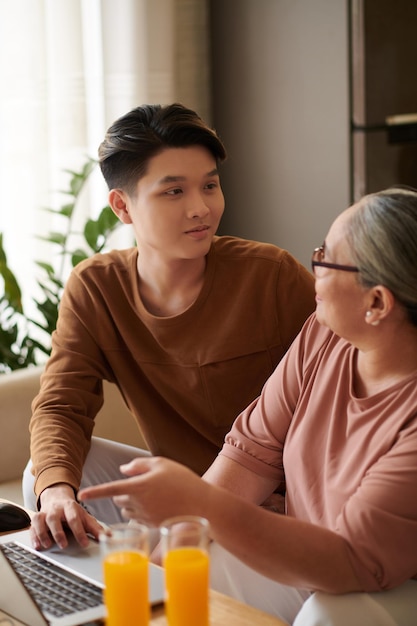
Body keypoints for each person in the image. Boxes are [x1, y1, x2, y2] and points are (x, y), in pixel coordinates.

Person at [79, 187, 417, 626]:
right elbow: (251, 453)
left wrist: (199, 503)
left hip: (378, 585)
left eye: (325, 257)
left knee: (327, 615)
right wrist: (157, 574)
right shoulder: (326, 333)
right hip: (300, 554)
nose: (312, 266)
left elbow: (350, 560)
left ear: (376, 303)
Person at [25, 102, 315, 551]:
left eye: (210, 186)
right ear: (122, 206)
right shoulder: (96, 287)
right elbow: (62, 405)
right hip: (183, 491)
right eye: (174, 192)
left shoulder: (271, 275)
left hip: (268, 495)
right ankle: (94, 605)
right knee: (45, 479)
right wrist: (57, 491)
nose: (201, 208)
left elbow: (347, 390)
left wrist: (292, 496)